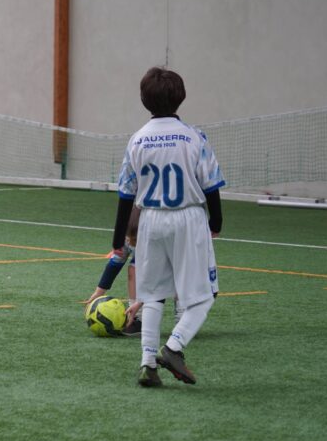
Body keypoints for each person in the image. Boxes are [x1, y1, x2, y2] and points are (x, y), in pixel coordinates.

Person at [114, 67, 224, 387]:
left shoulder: (137, 139)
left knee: (152, 294)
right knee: (204, 296)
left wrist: (118, 237)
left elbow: (126, 193)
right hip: (187, 218)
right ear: (181, 97)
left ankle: (147, 365)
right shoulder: (194, 137)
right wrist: (216, 221)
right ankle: (174, 347)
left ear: (143, 99)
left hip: (150, 220)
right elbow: (211, 184)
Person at [86, 206, 142, 336]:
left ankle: (181, 316)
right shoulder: (125, 239)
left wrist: (140, 303)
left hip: (173, 263)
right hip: (147, 261)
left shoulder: (153, 244)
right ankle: (137, 319)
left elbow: (156, 283)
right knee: (133, 269)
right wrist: (98, 292)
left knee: (177, 282)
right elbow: (114, 265)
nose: (129, 242)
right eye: (127, 237)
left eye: (133, 239)